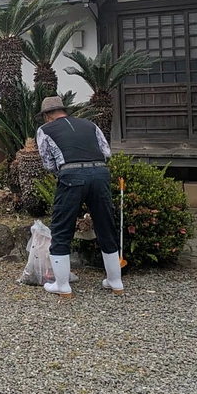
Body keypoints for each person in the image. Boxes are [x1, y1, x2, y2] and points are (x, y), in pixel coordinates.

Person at [35, 96, 124, 298]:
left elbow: (48, 162)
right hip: (100, 174)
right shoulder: (90, 125)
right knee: (105, 225)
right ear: (64, 111)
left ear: (47, 116)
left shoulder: (45, 130)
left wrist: (65, 171)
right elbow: (106, 152)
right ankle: (115, 281)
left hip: (71, 176)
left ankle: (62, 285)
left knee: (62, 226)